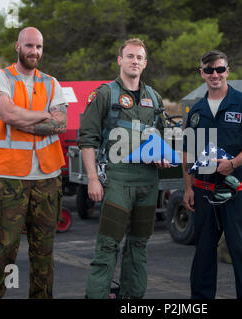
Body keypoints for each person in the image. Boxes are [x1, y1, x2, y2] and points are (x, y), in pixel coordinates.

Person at [0, 27, 68, 298]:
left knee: (44, 254)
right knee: (1, 252)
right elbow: (7, 113)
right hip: (9, 179)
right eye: (29, 46)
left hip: (47, 178)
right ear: (17, 46)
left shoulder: (51, 82)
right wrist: (43, 116)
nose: (34, 52)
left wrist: (23, 120)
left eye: (39, 47)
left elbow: (61, 123)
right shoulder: (1, 78)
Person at [79, 38, 169, 299]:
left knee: (139, 243)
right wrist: (93, 179)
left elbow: (160, 139)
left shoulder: (154, 97)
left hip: (147, 181)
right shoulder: (105, 94)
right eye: (130, 56)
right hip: (118, 180)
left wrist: (162, 156)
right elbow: (87, 139)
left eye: (139, 58)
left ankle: (132, 297)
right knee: (108, 244)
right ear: (120, 60)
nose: (135, 61)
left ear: (145, 63)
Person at [182, 50, 242, 299]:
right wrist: (188, 187)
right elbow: (187, 151)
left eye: (220, 69)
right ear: (202, 73)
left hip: (236, 192)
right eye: (209, 70)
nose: (215, 75)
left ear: (227, 71)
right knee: (203, 255)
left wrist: (234, 162)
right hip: (203, 192)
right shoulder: (197, 110)